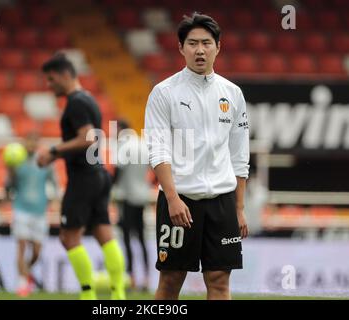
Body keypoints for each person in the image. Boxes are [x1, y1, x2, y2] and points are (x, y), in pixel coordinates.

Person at [144, 13, 250, 300]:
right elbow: (158, 149)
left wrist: (239, 207)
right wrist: (172, 197)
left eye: (206, 43)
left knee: (219, 281)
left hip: (222, 201)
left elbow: (240, 155)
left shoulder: (233, 93)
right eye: (192, 43)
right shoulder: (163, 92)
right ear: (181, 48)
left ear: (218, 46)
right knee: (171, 279)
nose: (200, 50)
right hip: (180, 200)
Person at [37, 54, 126, 300]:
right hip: (98, 173)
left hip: (83, 177)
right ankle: (118, 294)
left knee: (68, 237)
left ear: (66, 75)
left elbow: (88, 138)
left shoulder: (75, 102)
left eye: (51, 79)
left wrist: (53, 152)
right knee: (104, 235)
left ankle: (88, 295)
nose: (49, 84)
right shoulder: (89, 99)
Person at [5, 132, 59, 297]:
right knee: (21, 246)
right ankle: (22, 283)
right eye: (29, 141)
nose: (31, 144)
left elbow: (54, 184)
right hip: (21, 209)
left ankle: (26, 273)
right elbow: (8, 189)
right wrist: (10, 173)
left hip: (40, 211)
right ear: (24, 142)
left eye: (34, 141)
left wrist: (55, 200)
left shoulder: (44, 162)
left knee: (36, 251)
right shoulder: (17, 161)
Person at [112, 119, 151, 291]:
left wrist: (112, 188)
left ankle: (131, 277)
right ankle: (147, 278)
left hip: (127, 196)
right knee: (141, 238)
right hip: (142, 195)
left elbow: (118, 169)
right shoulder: (142, 144)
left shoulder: (123, 144)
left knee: (127, 237)